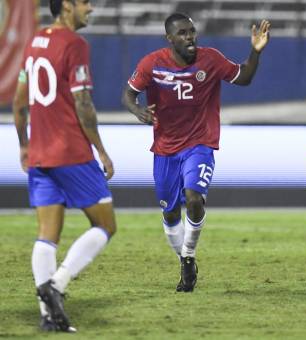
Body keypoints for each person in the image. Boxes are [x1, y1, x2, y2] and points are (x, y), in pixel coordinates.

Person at [122, 13, 270, 292]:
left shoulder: (211, 59)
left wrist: (255, 51)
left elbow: (244, 77)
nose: (190, 37)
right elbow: (128, 94)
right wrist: (138, 110)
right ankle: (184, 258)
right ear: (170, 38)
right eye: (182, 33)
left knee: (193, 198)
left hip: (199, 144)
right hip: (165, 149)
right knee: (169, 214)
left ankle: (188, 256)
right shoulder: (151, 64)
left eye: (192, 31)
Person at [12, 0, 116, 332]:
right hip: (71, 151)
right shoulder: (75, 44)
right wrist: (100, 150)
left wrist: (24, 145)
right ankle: (56, 284)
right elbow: (83, 103)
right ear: (67, 5)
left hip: (41, 153)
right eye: (86, 3)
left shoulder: (34, 41)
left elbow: (18, 103)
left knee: (47, 236)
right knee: (105, 225)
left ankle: (48, 316)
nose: (91, 9)